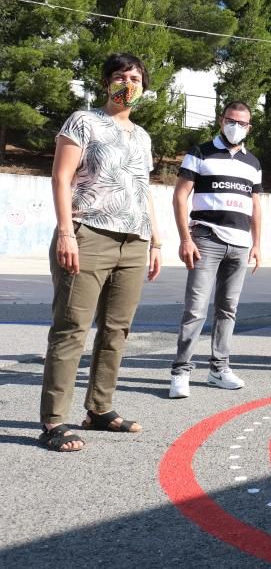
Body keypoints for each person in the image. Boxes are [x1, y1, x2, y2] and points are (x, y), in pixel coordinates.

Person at [39, 53, 162, 452]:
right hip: (88, 233)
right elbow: (61, 178)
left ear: (144, 87)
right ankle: (54, 421)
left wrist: (156, 241)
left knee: (116, 330)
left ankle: (99, 409)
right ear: (107, 83)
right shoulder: (84, 121)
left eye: (136, 78)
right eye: (120, 76)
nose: (128, 83)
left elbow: (144, 192)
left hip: (134, 240)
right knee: (71, 328)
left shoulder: (142, 136)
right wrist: (65, 233)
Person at [167, 101, 262, 399]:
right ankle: (180, 371)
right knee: (195, 309)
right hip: (205, 239)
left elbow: (256, 205)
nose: (236, 127)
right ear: (222, 121)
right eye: (232, 121)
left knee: (227, 310)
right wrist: (186, 238)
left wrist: (257, 243)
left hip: (240, 244)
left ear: (249, 127)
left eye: (243, 123)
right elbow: (180, 197)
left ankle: (219, 369)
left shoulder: (253, 163)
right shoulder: (199, 152)